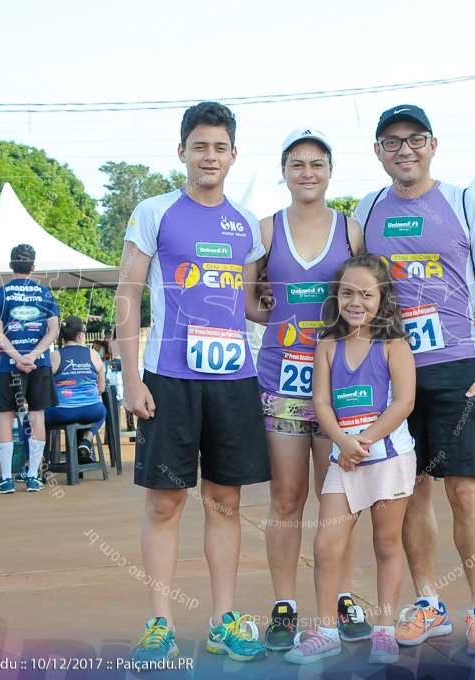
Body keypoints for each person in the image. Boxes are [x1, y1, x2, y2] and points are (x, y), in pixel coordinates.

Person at [352, 104, 475, 656]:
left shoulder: (467, 203)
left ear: (433, 144)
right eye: (392, 142)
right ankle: (427, 602)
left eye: (415, 139)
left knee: (464, 489)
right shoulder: (367, 210)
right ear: (378, 152)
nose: (404, 150)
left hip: (457, 367)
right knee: (409, 491)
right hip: (390, 373)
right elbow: (352, 284)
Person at [116, 102, 270, 663]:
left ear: (233, 155)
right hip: (168, 377)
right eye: (199, 146)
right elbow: (128, 294)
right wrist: (132, 379)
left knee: (224, 502)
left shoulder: (247, 225)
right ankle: (160, 622)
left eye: (220, 147)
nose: (210, 156)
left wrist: (309, 304)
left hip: (234, 379)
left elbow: (253, 305)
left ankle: (222, 618)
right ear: (182, 151)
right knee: (164, 503)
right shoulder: (154, 211)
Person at [248, 128, 369, 650]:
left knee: (340, 494)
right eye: (297, 164)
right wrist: (274, 313)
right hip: (282, 377)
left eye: (316, 164)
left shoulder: (353, 231)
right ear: (284, 171)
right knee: (287, 494)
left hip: (341, 381)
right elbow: (247, 300)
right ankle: (285, 606)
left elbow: (369, 294)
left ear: (330, 171)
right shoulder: (266, 230)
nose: (307, 173)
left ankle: (339, 598)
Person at [284, 254, 415, 665]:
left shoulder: (394, 344)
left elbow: (405, 402)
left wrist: (365, 441)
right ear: (336, 296)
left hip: (388, 458)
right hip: (344, 461)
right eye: (346, 292)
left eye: (366, 294)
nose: (355, 301)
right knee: (326, 547)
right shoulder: (327, 345)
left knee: (387, 543)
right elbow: (320, 401)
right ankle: (326, 631)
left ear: (382, 298)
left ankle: (385, 631)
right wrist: (343, 443)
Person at [0, 243, 60, 494]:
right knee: (37, 415)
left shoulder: (1, 293)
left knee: (6, 417)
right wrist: (33, 356)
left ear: (11, 265)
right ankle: (33, 477)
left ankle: (6, 479)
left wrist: (18, 357)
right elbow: (54, 330)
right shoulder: (45, 294)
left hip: (10, 364)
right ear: (33, 267)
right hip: (40, 364)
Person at [45, 315, 107, 464]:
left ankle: (36, 465)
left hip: (61, 412)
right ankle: (86, 439)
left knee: (31, 421)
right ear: (80, 335)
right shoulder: (93, 354)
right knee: (103, 411)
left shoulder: (53, 356)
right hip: (92, 410)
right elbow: (102, 389)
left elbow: (45, 389)